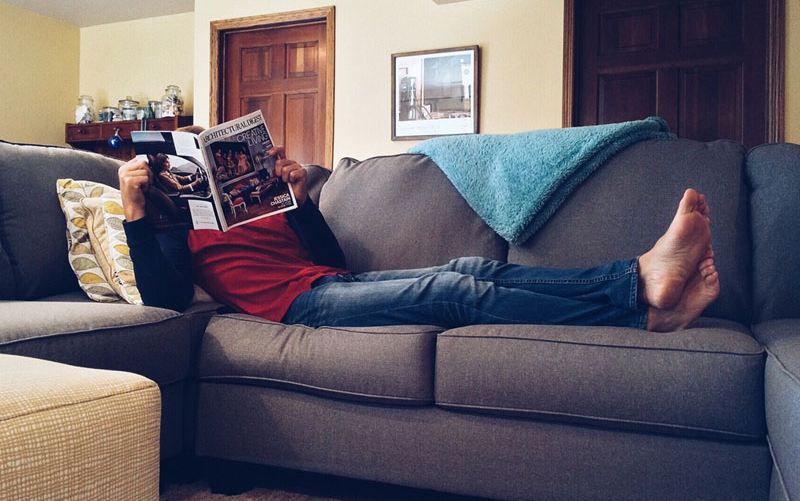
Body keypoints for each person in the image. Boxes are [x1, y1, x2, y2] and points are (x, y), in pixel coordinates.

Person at [119, 147, 719, 332]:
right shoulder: (177, 229)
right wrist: (135, 212)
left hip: (328, 283)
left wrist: (301, 202)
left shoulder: (265, 205)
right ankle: (637, 294)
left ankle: (638, 289)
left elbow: (329, 260)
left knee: (471, 267)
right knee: (450, 290)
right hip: (297, 308)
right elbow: (166, 301)